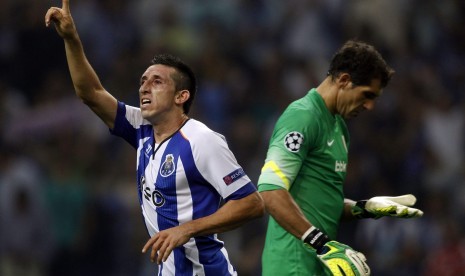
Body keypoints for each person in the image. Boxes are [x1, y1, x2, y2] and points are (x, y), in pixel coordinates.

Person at [45, 1, 265, 275]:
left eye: (157, 81)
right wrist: (71, 39)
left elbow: (252, 203)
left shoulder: (201, 140)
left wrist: (188, 229)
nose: (145, 87)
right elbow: (90, 92)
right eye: (143, 81)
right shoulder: (142, 128)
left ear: (181, 96)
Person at [257, 40, 424, 275]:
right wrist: (321, 244)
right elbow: (270, 192)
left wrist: (364, 208)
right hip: (292, 264)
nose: (369, 106)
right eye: (367, 95)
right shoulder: (302, 117)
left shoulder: (339, 127)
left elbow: (322, 202)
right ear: (344, 80)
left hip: (321, 264)